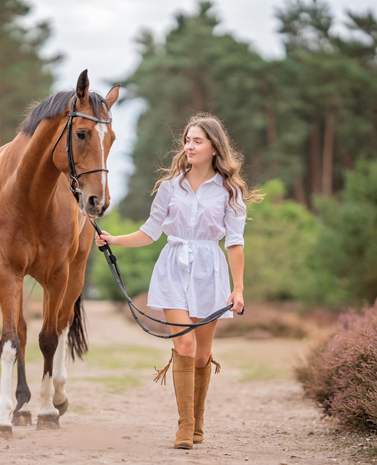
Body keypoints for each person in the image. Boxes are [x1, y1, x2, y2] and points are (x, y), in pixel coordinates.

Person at [95, 113, 264, 450]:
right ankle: (185, 427)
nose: (189, 145)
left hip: (209, 271)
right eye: (187, 140)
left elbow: (235, 242)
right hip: (172, 268)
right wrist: (113, 239)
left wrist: (239, 288)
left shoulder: (230, 192)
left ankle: (198, 420)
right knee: (183, 346)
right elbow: (150, 232)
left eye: (197, 140)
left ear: (214, 147)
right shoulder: (170, 187)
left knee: (202, 355)